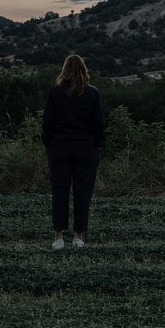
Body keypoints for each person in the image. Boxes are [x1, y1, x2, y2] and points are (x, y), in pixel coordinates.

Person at [41, 54, 105, 249]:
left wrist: (48, 143)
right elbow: (99, 124)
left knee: (59, 191)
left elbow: (47, 122)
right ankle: (78, 236)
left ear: (64, 69)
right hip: (85, 148)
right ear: (84, 69)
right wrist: (98, 144)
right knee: (83, 192)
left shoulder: (55, 92)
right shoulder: (92, 93)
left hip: (60, 147)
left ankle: (58, 237)